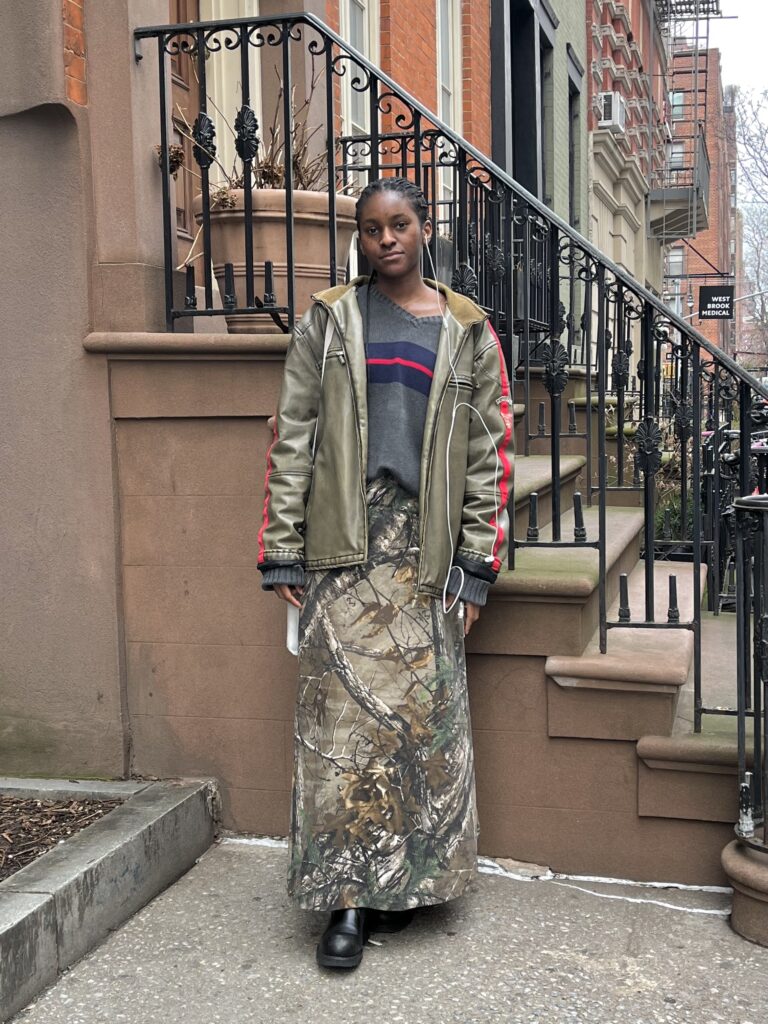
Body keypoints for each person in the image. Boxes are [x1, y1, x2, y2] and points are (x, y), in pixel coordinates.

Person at [257, 177, 513, 970]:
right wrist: (282, 545)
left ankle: (399, 886)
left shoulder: (469, 330)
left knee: (415, 735)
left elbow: (488, 455)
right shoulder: (329, 319)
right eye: (371, 229)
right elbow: (292, 432)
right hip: (346, 546)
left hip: (426, 556)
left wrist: (475, 566)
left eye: (399, 224)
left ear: (424, 227)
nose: (386, 239)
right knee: (340, 734)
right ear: (360, 240)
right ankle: (345, 903)